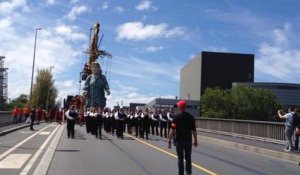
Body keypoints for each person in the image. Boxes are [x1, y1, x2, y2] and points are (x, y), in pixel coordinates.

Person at [168, 100, 198, 175]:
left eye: (178, 106)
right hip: (188, 141)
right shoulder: (191, 117)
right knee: (188, 158)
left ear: (180, 107)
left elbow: (172, 130)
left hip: (179, 141)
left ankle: (181, 173)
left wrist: (169, 141)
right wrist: (195, 141)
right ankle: (188, 173)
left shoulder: (176, 117)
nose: (177, 107)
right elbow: (194, 131)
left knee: (180, 159)